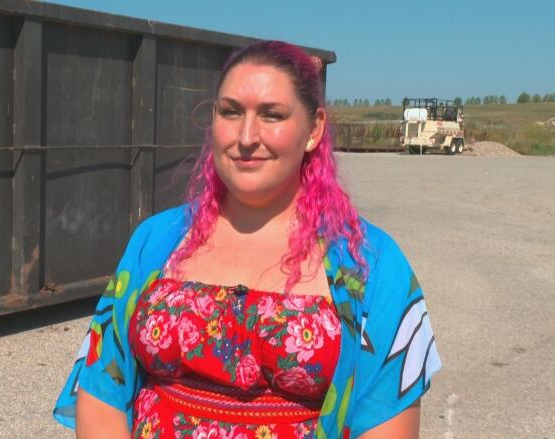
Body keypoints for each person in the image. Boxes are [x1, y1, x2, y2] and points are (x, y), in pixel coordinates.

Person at [54, 40, 441, 439]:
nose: (246, 136)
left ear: (313, 130)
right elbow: (103, 387)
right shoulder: (156, 242)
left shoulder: (370, 263)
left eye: (271, 115)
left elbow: (386, 418)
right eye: (231, 112)